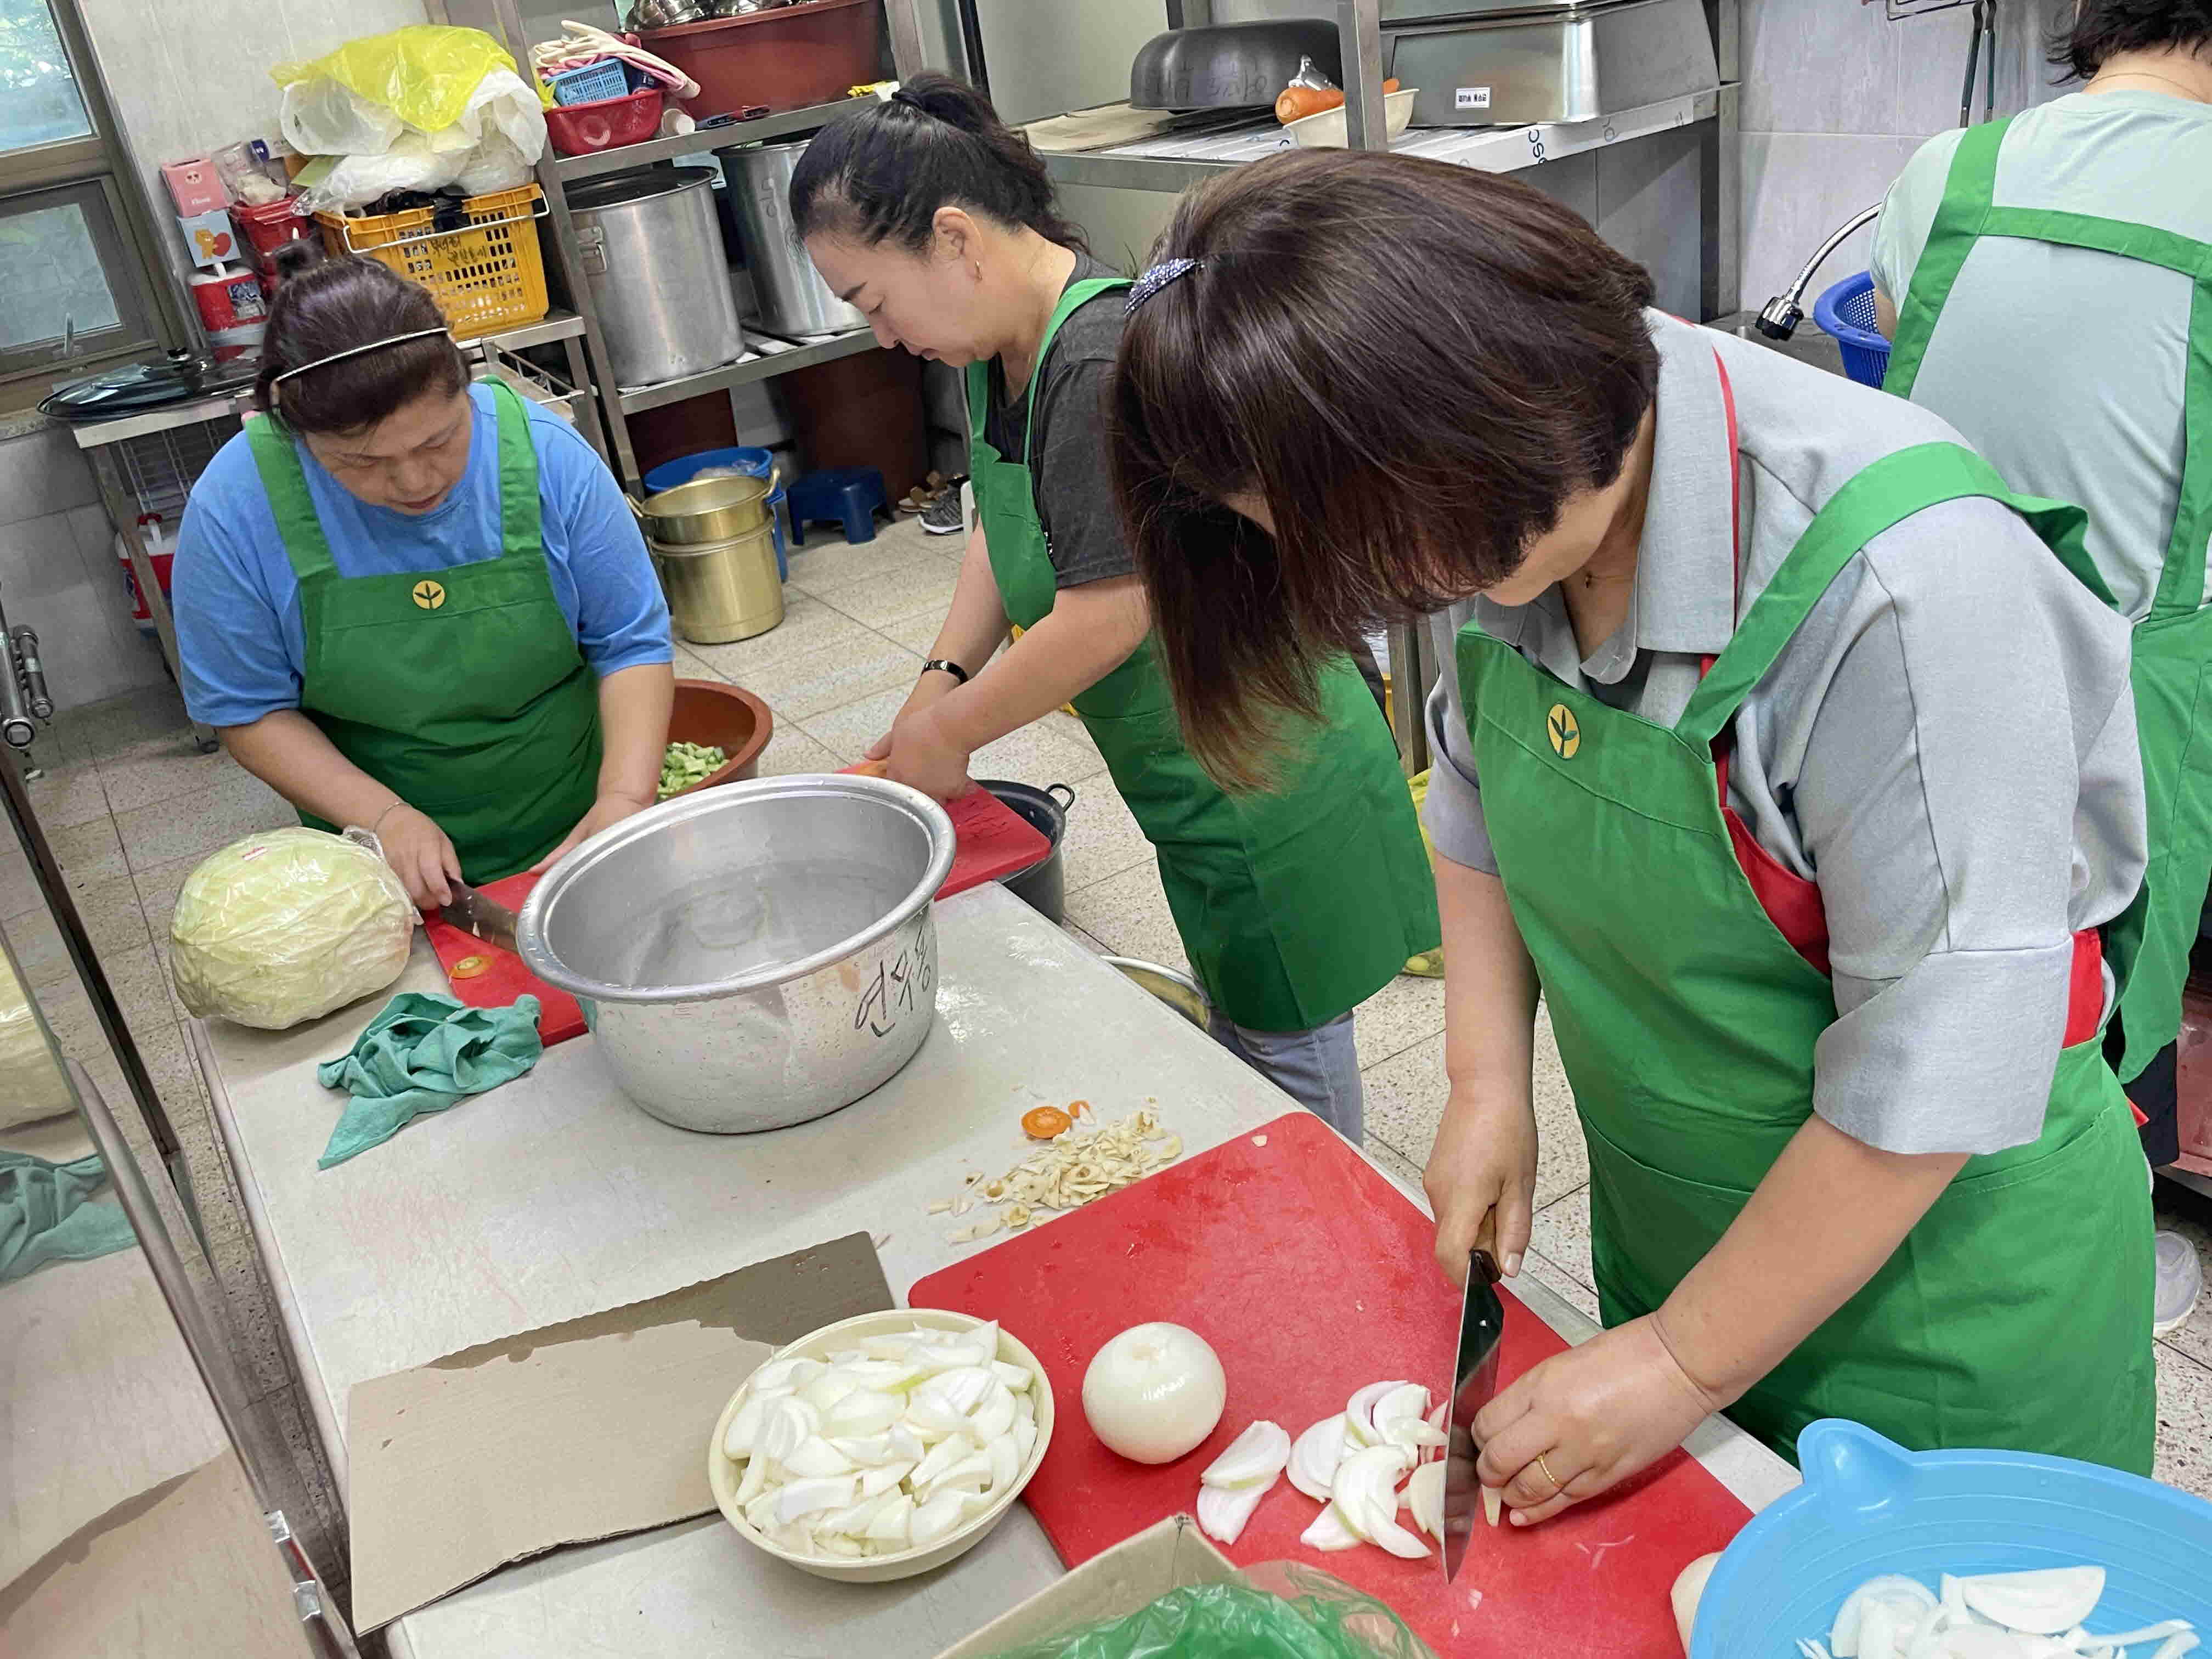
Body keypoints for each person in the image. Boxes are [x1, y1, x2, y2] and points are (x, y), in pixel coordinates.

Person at [1107, 149, 2157, 1515]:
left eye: (1387, 549)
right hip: (1689, 1230)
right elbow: (1480, 796)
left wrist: (1677, 1360)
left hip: (1942, 1308)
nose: (1397, 594)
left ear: (1488, 415)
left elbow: (1941, 1069)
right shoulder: (1507, 497)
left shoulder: (1907, 589)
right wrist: (1488, 1082)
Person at [785, 76, 1439, 1138]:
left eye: (870, 299)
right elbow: (1005, 531)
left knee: (1293, 1069)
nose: (879, 335)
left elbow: (1110, 609)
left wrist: (950, 731)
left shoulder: (1096, 360)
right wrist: (936, 684)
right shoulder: (995, 347)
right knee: (1248, 1023)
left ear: (954, 240)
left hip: (1268, 769)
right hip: (1196, 765)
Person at [1871, 0, 2211, 1336]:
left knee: (1950, 936)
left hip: (1931, 631)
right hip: (2142, 675)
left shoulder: (1949, 170)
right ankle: (2091, 1255)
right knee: (2110, 966)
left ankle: (1926, 1217)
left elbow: (1908, 330)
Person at [174, 247, 674, 909]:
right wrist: (384, 818)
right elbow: (245, 708)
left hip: (580, 830)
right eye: (359, 463)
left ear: (465, 386)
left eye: (439, 441)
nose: (415, 483)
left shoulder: (549, 460)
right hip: (381, 871)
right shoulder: (237, 506)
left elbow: (631, 642)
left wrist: (625, 798)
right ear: (294, 430)